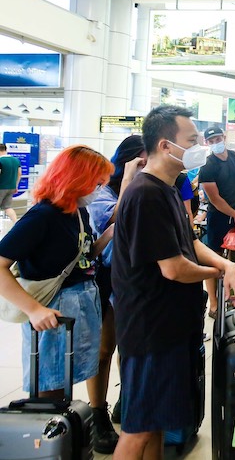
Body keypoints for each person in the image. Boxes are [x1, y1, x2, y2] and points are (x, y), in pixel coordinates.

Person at [112, 105, 235, 459]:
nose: (200, 146)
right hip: (149, 329)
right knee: (138, 429)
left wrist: (223, 264)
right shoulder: (145, 194)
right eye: (192, 140)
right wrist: (220, 272)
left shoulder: (169, 188)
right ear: (166, 145)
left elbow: (191, 242)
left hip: (171, 326)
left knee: (158, 421)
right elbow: (173, 268)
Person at [0, 145, 115, 452]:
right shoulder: (43, 215)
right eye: (97, 181)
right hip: (53, 311)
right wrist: (34, 309)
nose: (99, 189)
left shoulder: (76, 211)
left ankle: (63, 446)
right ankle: (41, 447)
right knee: (48, 389)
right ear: (77, 178)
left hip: (81, 305)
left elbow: (83, 257)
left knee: (66, 384)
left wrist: (110, 233)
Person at [86, 135, 148, 452]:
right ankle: (97, 414)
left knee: (131, 344)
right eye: (141, 159)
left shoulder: (149, 187)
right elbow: (118, 219)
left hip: (135, 277)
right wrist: (128, 176)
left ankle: (127, 399)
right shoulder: (101, 192)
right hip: (105, 277)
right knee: (104, 348)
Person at [198, 126, 235, 318]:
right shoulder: (207, 165)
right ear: (207, 143)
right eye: (211, 141)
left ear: (224, 137)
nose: (215, 143)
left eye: (217, 139)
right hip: (218, 217)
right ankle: (214, 303)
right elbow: (215, 198)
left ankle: (231, 296)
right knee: (215, 260)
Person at [0, 143, 22, 222]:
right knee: (7, 207)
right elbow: (20, 173)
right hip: (11, 187)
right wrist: (16, 186)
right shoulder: (16, 160)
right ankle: (16, 224)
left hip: (1, 187)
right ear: (6, 150)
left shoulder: (0, 160)